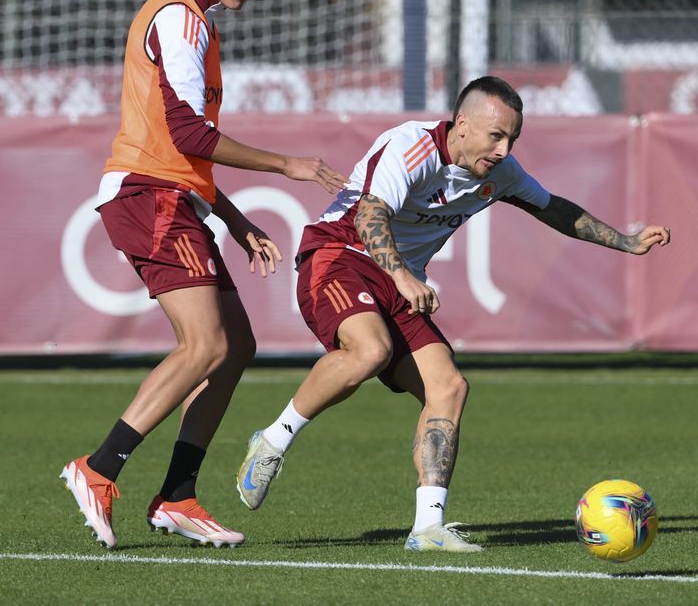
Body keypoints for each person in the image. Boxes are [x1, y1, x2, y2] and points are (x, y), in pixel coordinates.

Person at [235, 76, 671, 552]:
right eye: (496, 136)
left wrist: (625, 241)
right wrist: (403, 276)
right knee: (371, 350)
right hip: (339, 256)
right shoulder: (410, 146)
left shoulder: (499, 173)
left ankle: (428, 527)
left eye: (513, 139)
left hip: (400, 278)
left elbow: (555, 210)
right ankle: (273, 441)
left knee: (449, 387)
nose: (504, 150)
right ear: (462, 124)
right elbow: (369, 216)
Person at [60, 0, 348, 550]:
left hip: (174, 196)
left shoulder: (196, 25)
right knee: (206, 345)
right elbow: (191, 133)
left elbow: (182, 146)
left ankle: (178, 495)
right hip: (147, 196)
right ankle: (99, 468)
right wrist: (287, 165)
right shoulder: (180, 21)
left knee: (235, 344)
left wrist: (236, 218)